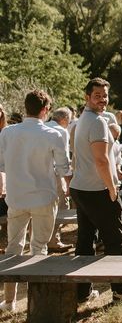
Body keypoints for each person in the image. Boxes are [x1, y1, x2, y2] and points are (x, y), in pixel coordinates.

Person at [71, 77, 122, 304]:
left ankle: (82, 293)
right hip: (97, 189)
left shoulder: (82, 121)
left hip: (80, 187)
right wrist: (112, 189)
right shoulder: (96, 122)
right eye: (97, 95)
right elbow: (102, 160)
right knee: (115, 239)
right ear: (87, 97)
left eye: (105, 95)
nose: (103, 100)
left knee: (85, 241)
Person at [0, 90, 70, 312]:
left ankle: (9, 301)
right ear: (46, 109)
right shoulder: (53, 134)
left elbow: (1, 163)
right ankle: (36, 301)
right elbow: (63, 167)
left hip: (17, 196)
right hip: (43, 197)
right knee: (39, 249)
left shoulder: (7, 133)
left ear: (25, 107)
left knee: (13, 248)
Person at [45, 107, 74, 253]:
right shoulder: (61, 131)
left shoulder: (44, 126)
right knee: (61, 207)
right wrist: (68, 181)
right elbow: (63, 159)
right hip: (56, 174)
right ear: (64, 119)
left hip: (41, 174)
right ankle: (53, 241)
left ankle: (45, 239)